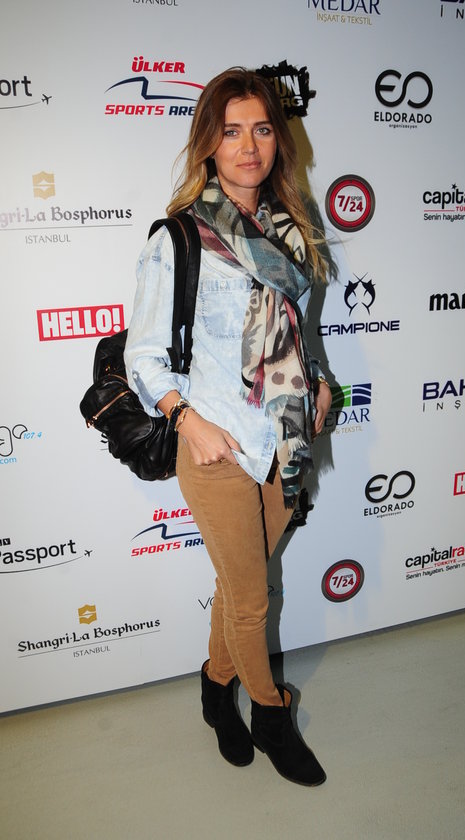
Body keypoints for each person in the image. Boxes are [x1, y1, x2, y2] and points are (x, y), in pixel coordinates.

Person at [124, 67, 332, 786]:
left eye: (262, 129)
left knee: (239, 584)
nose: (249, 146)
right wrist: (189, 422)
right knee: (251, 598)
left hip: (282, 439)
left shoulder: (290, 232)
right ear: (209, 144)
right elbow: (144, 357)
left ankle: (216, 690)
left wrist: (319, 382)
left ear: (279, 139)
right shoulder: (179, 237)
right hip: (214, 447)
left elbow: (294, 336)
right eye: (232, 131)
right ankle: (271, 716)